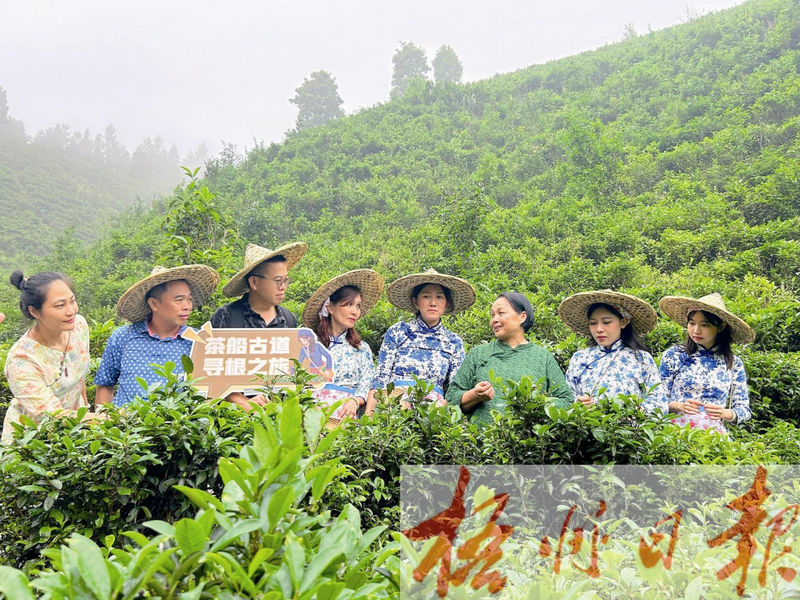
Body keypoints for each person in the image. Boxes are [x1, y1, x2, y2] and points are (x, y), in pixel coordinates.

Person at [94, 265, 219, 408]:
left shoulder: (199, 340)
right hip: (125, 427)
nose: (187, 306)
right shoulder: (123, 337)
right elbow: (105, 385)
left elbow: (210, 391)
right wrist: (104, 422)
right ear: (154, 303)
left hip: (176, 427)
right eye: (179, 300)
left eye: (189, 299)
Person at [2, 271, 102, 443]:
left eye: (72, 301)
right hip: (32, 442)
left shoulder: (78, 326)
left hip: (76, 429)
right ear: (34, 312)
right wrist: (108, 420)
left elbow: (78, 375)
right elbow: (53, 416)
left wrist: (85, 409)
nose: (71, 311)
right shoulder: (22, 360)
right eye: (59, 306)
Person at [447, 292, 573, 424]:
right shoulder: (478, 354)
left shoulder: (543, 357)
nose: (494, 319)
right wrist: (475, 395)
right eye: (492, 315)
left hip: (529, 440)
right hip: (482, 441)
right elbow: (451, 398)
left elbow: (565, 399)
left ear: (522, 317)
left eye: (501, 313)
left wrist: (538, 404)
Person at [210, 242, 306, 409]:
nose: (283, 287)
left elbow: (292, 373)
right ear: (254, 282)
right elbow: (208, 373)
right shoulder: (227, 317)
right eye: (277, 280)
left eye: (285, 280)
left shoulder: (289, 320)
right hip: (235, 422)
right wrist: (240, 401)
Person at [366, 269, 475, 415]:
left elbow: (456, 387)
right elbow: (380, 378)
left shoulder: (453, 341)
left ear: (447, 304)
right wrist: (369, 415)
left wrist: (441, 406)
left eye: (439, 297)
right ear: (415, 301)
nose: (433, 303)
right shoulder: (398, 331)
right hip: (393, 407)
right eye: (426, 296)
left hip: (433, 412)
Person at [658, 293, 754, 434]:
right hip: (674, 434)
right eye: (692, 323)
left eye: (705, 325)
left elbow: (744, 410)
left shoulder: (733, 363)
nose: (696, 330)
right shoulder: (674, 355)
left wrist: (724, 413)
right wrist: (678, 406)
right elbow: (656, 399)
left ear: (720, 327)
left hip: (713, 437)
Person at [559, 290, 667, 413]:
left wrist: (637, 412)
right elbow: (566, 396)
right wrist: (577, 403)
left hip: (631, 430)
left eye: (606, 322)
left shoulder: (641, 358)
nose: (599, 329)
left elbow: (658, 402)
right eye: (593, 323)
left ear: (623, 322)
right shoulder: (580, 358)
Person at [301, 269, 384, 420]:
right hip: (314, 414)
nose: (355, 312)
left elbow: (367, 382)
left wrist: (355, 400)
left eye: (358, 306)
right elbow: (299, 382)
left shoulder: (361, 348)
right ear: (330, 307)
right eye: (349, 304)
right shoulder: (310, 345)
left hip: (347, 415)